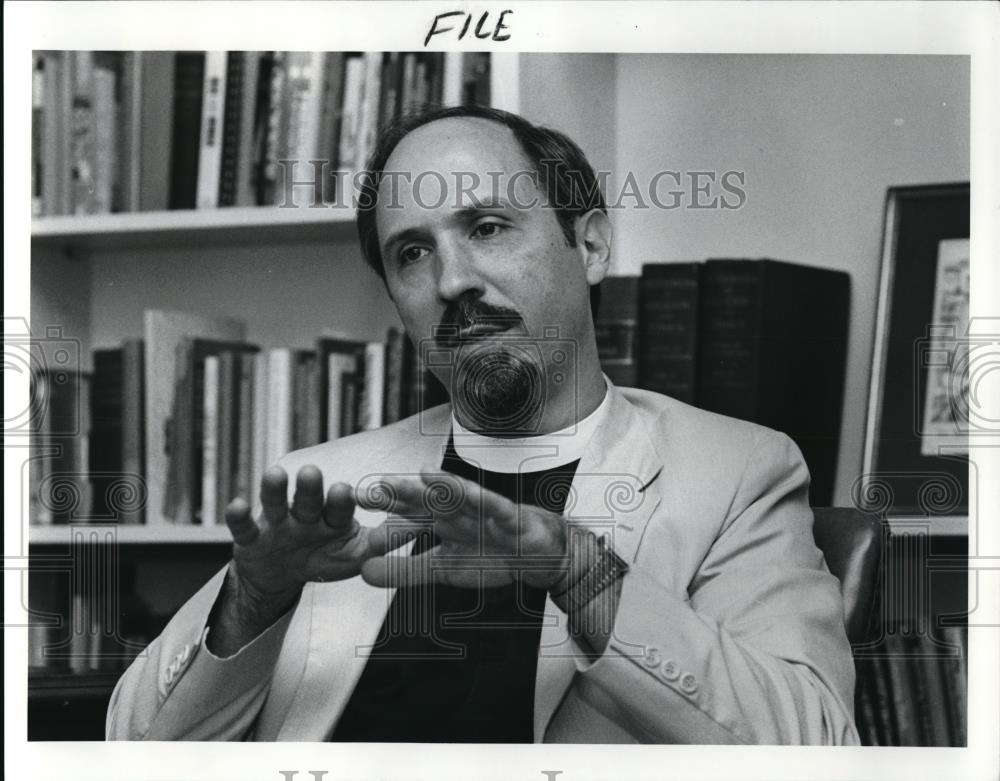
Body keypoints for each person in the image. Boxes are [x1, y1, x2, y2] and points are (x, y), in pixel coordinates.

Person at [106, 105, 859, 744]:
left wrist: (582, 573)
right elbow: (128, 749)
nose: (453, 281)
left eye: (489, 227)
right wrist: (252, 597)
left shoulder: (735, 472)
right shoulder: (325, 483)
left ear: (590, 245)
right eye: (412, 252)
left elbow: (815, 742)